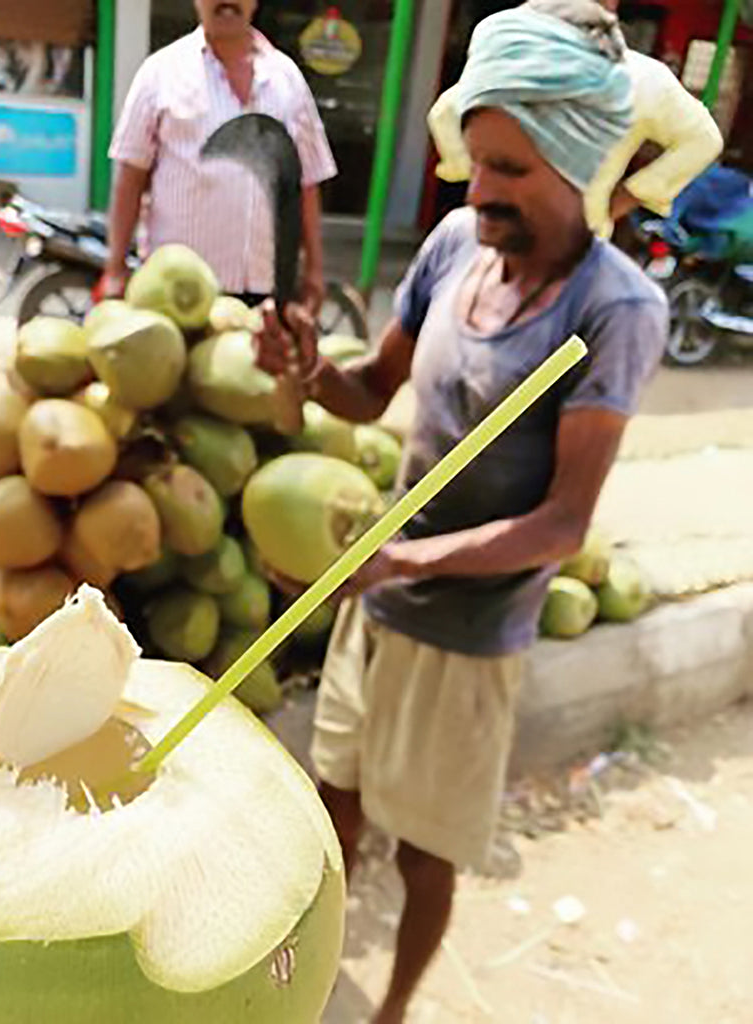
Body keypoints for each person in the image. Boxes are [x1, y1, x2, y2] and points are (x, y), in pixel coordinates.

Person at [255, 9, 668, 1023]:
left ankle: (392, 1008)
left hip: (468, 635)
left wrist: (400, 560)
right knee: (333, 802)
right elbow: (369, 391)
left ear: (578, 163)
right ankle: (304, 975)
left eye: (509, 170)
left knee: (429, 849)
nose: (477, 190)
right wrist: (306, 374)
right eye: (474, 163)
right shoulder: (451, 246)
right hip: (376, 605)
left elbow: (562, 523)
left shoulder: (612, 311)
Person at [100, 0, 336, 311]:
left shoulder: (287, 79)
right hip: (175, 293)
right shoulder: (160, 73)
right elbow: (130, 177)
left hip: (266, 289)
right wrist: (115, 267)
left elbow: (305, 184)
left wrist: (314, 271)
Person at [428, 0, 723, 239]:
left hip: (496, 232)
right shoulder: (641, 75)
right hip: (579, 238)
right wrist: (628, 196)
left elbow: (443, 114)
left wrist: (474, 169)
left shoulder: (513, 65)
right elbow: (704, 140)